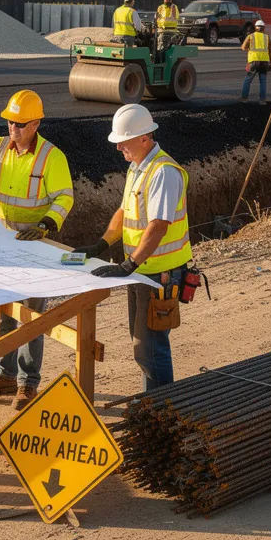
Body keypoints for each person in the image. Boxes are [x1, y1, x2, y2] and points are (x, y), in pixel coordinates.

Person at [74, 104, 190, 392]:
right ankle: (153, 404)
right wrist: (102, 244)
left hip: (159, 274)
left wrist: (129, 264)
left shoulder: (163, 172)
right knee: (143, 344)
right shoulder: (138, 168)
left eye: (122, 141)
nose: (118, 148)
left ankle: (161, 409)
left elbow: (159, 225)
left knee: (150, 347)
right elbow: (124, 211)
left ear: (144, 138)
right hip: (143, 272)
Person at [0, 90, 75, 409]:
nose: (12, 128)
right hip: (3, 245)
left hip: (36, 245)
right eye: (9, 122)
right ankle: (5, 375)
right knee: (3, 310)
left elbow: (65, 198)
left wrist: (46, 224)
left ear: (35, 124)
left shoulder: (52, 157)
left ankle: (27, 384)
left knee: (30, 318)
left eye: (19, 123)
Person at [240, 19, 271, 103]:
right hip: (264, 62)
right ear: (264, 28)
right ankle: (262, 100)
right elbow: (270, 50)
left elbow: (243, 47)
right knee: (263, 82)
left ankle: (244, 98)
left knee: (248, 80)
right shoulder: (266, 37)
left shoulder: (251, 36)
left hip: (254, 61)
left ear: (255, 28)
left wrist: (250, 49)